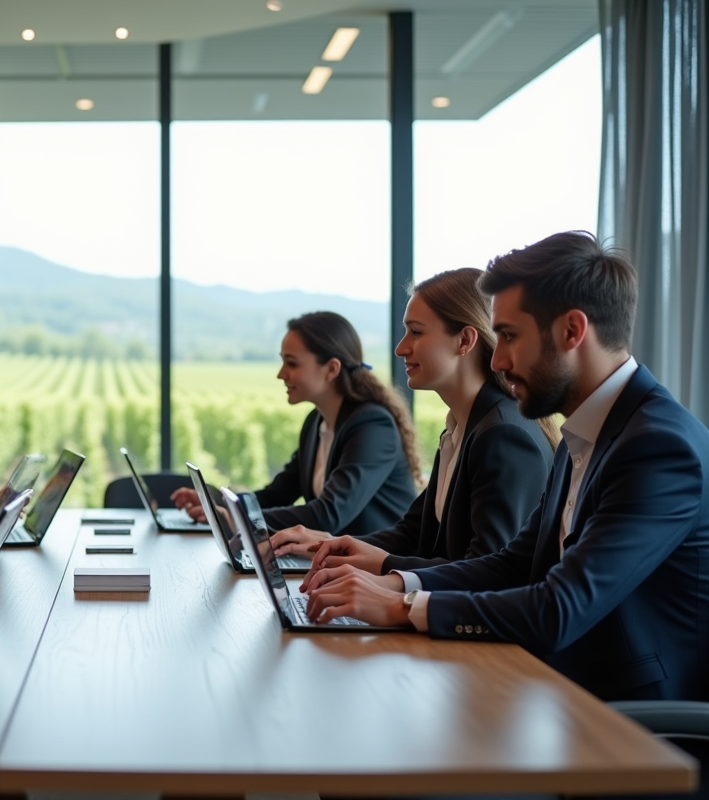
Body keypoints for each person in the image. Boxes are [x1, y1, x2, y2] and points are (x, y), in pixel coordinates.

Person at [305, 231, 709, 703]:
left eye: (511, 337)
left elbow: (558, 608)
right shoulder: (585, 434)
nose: (496, 359)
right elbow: (514, 563)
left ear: (572, 331)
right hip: (562, 690)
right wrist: (394, 581)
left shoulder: (657, 446)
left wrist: (402, 604)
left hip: (630, 724)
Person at [270, 269, 557, 573]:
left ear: (465, 340)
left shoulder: (503, 434)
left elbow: (487, 570)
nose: (400, 348)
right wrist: (331, 544)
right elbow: (412, 532)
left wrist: (383, 571)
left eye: (416, 332)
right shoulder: (461, 427)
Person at [172, 311, 420, 537]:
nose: (281, 373)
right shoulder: (316, 422)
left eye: (292, 363)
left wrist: (240, 520)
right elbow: (277, 494)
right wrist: (219, 503)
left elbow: (328, 515)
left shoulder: (373, 426)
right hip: (336, 566)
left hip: (378, 573)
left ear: (331, 369)